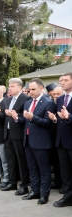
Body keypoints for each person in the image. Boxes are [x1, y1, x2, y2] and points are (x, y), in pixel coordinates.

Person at [11, 78, 55, 205]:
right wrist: (16, 118)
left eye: (34, 89)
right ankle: (34, 191)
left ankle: (44, 194)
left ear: (41, 88)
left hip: (41, 141)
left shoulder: (48, 103)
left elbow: (48, 123)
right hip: (28, 140)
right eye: (29, 89)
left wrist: (33, 118)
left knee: (44, 169)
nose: (31, 92)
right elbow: (26, 122)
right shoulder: (28, 103)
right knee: (32, 168)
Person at [1, 78, 31, 194]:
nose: (10, 88)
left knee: (21, 160)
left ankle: (24, 185)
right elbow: (4, 114)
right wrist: (4, 113)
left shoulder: (26, 99)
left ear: (20, 87)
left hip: (19, 134)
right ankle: (12, 182)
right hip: (8, 132)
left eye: (12, 86)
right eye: (9, 86)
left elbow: (25, 116)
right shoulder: (7, 100)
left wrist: (15, 115)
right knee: (11, 160)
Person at [48, 72, 72, 207]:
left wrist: (69, 117)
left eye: (66, 80)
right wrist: (56, 119)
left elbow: (68, 117)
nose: (62, 82)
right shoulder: (61, 98)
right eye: (61, 80)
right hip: (61, 140)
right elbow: (61, 119)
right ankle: (68, 196)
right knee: (65, 170)